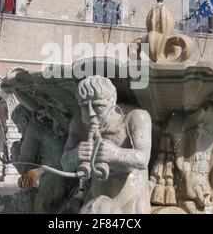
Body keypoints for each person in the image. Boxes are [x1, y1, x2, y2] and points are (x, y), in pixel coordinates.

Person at [61, 76, 152, 214]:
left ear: (112, 101)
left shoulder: (136, 117)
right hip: (97, 197)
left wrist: (115, 153)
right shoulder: (79, 123)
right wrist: (75, 154)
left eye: (98, 106)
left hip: (131, 198)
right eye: (84, 106)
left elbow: (143, 159)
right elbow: (65, 163)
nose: (90, 113)